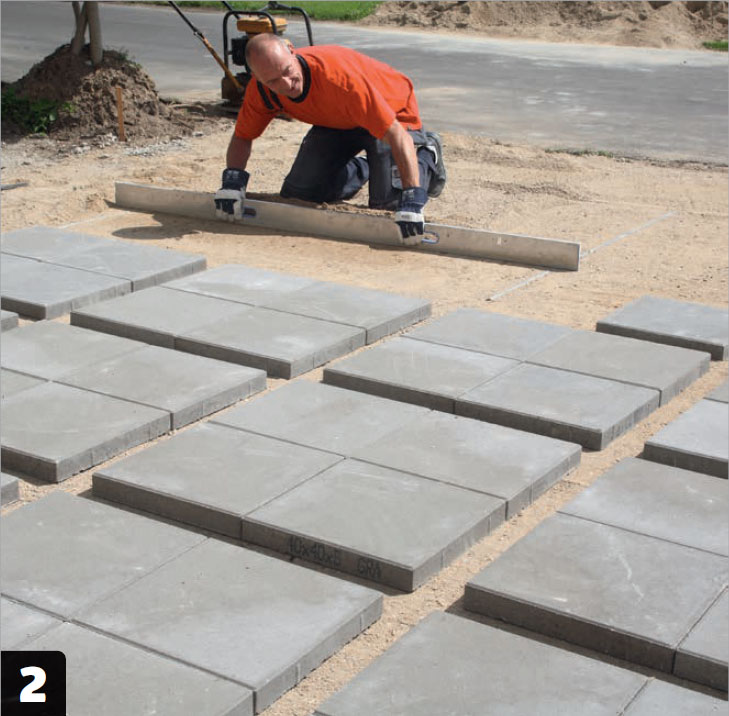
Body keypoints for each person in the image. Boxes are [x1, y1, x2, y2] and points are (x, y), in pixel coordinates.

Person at [214, 34, 447, 245]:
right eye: (273, 81)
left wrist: (412, 199)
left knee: (391, 206)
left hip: (391, 113)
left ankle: (426, 153)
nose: (286, 84)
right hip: (337, 119)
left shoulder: (339, 80)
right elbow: (243, 136)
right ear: (257, 78)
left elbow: (397, 135)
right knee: (299, 194)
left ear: (292, 51)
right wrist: (233, 184)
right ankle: (370, 167)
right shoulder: (261, 92)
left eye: (287, 71)